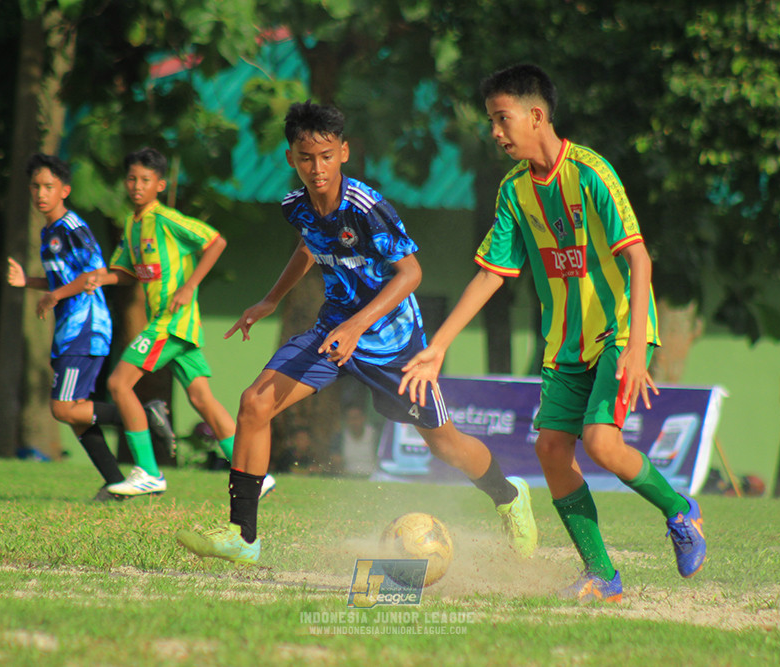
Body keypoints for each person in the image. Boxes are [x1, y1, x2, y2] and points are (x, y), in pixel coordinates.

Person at [175, 101, 537, 565]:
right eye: (306, 158)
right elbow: (310, 246)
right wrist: (271, 299)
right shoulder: (296, 206)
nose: (316, 167)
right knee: (254, 403)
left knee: (445, 444)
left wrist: (356, 325)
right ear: (291, 159)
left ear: (343, 152)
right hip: (334, 333)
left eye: (326, 156)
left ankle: (508, 496)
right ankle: (243, 538)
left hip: (394, 344)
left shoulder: (367, 208)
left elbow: (410, 274)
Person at [398, 64, 706, 603]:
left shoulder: (592, 173)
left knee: (603, 444)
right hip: (565, 342)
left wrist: (636, 347)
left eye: (502, 118)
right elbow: (493, 273)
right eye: (492, 121)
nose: (495, 131)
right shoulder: (514, 191)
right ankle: (603, 576)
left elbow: (638, 258)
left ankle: (681, 511)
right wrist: (438, 346)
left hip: (617, 331)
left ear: (535, 115)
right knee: (550, 451)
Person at [85, 147, 274, 498]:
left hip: (171, 322)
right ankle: (254, 474)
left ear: (160, 184)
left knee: (118, 383)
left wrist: (189, 286)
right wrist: (102, 279)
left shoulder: (166, 219)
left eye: (145, 180)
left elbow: (216, 242)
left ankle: (149, 471)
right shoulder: (132, 224)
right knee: (202, 397)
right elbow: (125, 272)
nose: (137, 186)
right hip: (175, 325)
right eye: (131, 179)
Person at [6, 153, 174, 502]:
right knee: (78, 413)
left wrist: (54, 295)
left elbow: (93, 274)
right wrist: (29, 283)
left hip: (85, 327)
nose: (41, 193)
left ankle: (145, 413)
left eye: (49, 186)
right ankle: (114, 485)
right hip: (70, 328)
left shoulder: (72, 228)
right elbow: (63, 280)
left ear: (64, 190)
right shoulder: (49, 231)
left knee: (63, 408)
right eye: (36, 186)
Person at [330, 403, 380, 476]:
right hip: (348, 477)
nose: (353, 422)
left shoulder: (375, 435)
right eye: (350, 419)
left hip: (372, 477)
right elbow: (335, 459)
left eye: (356, 418)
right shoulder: (340, 437)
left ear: (363, 418)